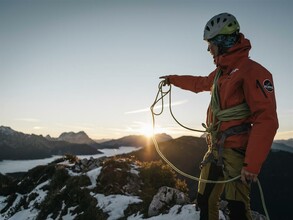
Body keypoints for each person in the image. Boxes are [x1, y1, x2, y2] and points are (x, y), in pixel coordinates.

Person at [160, 13, 278, 220]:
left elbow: (266, 119)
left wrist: (252, 164)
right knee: (205, 201)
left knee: (238, 210)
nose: (208, 49)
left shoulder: (254, 72)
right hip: (216, 149)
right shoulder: (221, 74)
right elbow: (199, 83)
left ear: (222, 43)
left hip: (236, 152)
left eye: (211, 44)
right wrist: (172, 79)